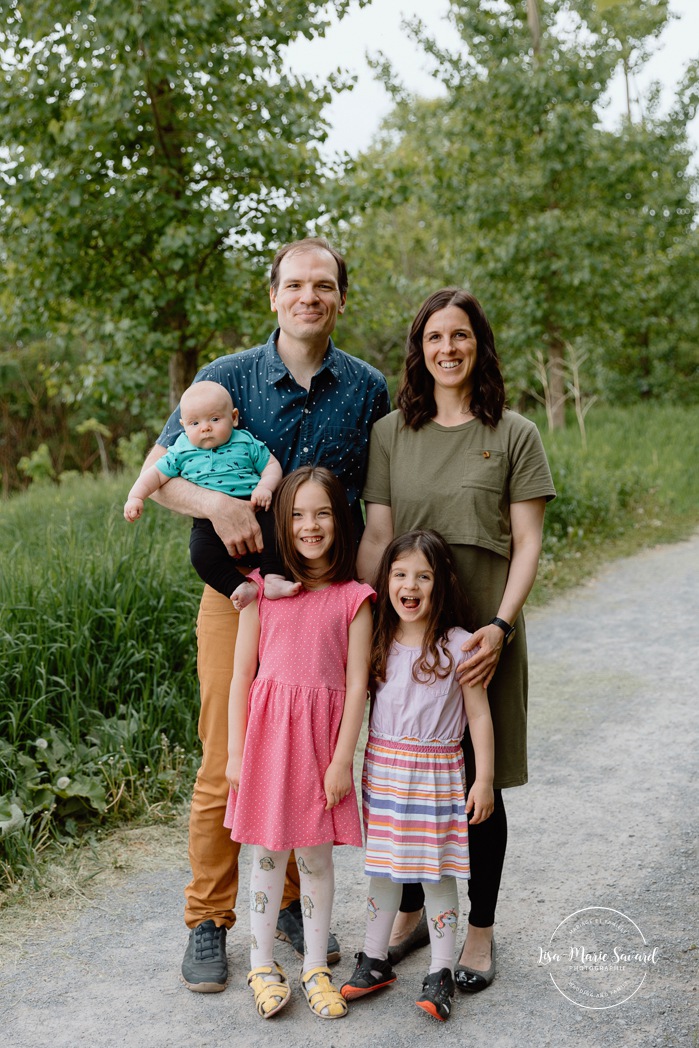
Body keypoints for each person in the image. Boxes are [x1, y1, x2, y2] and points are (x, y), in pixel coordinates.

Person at [139, 237, 390, 992]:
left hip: (323, 607)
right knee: (228, 759)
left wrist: (372, 614)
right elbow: (156, 476)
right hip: (239, 598)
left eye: (323, 286)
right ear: (272, 295)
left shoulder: (367, 388)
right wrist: (217, 505)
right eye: (295, 285)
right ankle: (208, 921)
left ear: (341, 298)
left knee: (308, 758)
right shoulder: (225, 378)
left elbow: (372, 508)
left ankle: (287, 903)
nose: (308, 297)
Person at [357, 288, 555, 993]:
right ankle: (410, 916)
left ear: (479, 345)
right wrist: (367, 625)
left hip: (484, 637)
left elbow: (528, 541)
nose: (447, 348)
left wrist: (499, 627)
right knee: (404, 774)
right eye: (434, 337)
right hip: (406, 638)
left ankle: (478, 931)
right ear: (419, 349)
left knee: (478, 782)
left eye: (460, 336)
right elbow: (378, 538)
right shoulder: (389, 434)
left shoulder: (514, 434)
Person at [224, 467, 374, 1020]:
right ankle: (262, 964)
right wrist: (236, 752)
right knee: (265, 856)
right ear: (282, 525)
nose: (310, 526)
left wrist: (342, 761)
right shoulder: (262, 593)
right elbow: (242, 676)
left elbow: (357, 684)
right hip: (265, 743)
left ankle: (315, 965)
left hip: (319, 749)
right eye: (297, 515)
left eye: (323, 513)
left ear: (340, 519)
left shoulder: (355, 599)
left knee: (315, 860)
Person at [341, 530, 494, 1022]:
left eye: (423, 576)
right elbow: (351, 703)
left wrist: (484, 779)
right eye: (400, 574)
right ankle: (375, 957)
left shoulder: (459, 645)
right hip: (384, 774)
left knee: (436, 875)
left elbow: (479, 715)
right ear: (386, 580)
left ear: (441, 583)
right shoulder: (378, 639)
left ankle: (442, 970)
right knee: (382, 869)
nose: (410, 585)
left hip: (436, 777)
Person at [124, 380, 290, 609]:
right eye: (194, 423)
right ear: (183, 426)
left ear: (233, 417)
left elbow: (271, 466)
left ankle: (274, 577)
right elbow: (153, 475)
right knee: (200, 553)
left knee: (276, 530)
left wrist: (265, 487)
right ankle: (237, 586)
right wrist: (136, 497)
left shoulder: (245, 441)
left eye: (214, 419)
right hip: (208, 519)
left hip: (254, 505)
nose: (205, 427)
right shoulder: (181, 450)